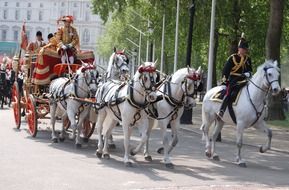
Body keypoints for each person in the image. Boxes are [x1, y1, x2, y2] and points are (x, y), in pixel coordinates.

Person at [217, 33, 252, 119]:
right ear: (239, 48)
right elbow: (225, 71)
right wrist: (224, 82)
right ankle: (222, 110)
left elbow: (250, 70)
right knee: (229, 93)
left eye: (245, 49)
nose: (244, 50)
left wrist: (249, 73)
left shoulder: (248, 59)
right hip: (234, 79)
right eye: (242, 49)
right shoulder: (233, 58)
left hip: (244, 79)